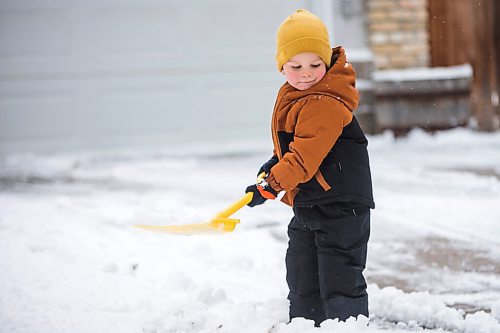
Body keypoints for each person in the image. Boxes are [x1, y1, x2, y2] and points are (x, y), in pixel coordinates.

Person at [244, 9, 375, 327]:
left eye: (315, 64)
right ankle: (307, 322)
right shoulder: (301, 94)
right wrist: (275, 164)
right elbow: (297, 147)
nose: (306, 73)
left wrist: (272, 184)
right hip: (313, 201)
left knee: (339, 272)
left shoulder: (324, 102)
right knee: (303, 269)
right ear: (282, 66)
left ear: (327, 62)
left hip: (341, 206)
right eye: (295, 66)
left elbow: (304, 156)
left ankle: (347, 325)